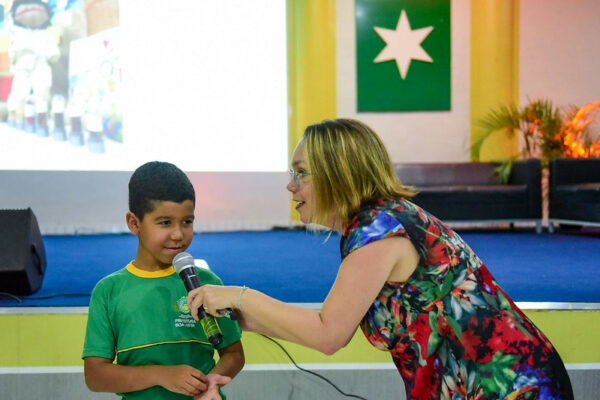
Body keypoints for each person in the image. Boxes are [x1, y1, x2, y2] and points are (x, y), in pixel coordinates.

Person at [188, 119, 574, 400]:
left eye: (301, 173)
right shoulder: (374, 224)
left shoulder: (380, 229)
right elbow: (325, 327)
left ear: (337, 174)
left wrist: (238, 296)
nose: (291, 185)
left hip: (508, 387)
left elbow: (328, 334)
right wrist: (239, 322)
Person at [82, 161, 244, 400]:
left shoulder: (207, 283)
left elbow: (234, 354)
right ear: (134, 223)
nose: (178, 234)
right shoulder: (109, 291)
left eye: (187, 221)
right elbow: (95, 376)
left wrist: (211, 382)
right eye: (165, 222)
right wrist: (161, 375)